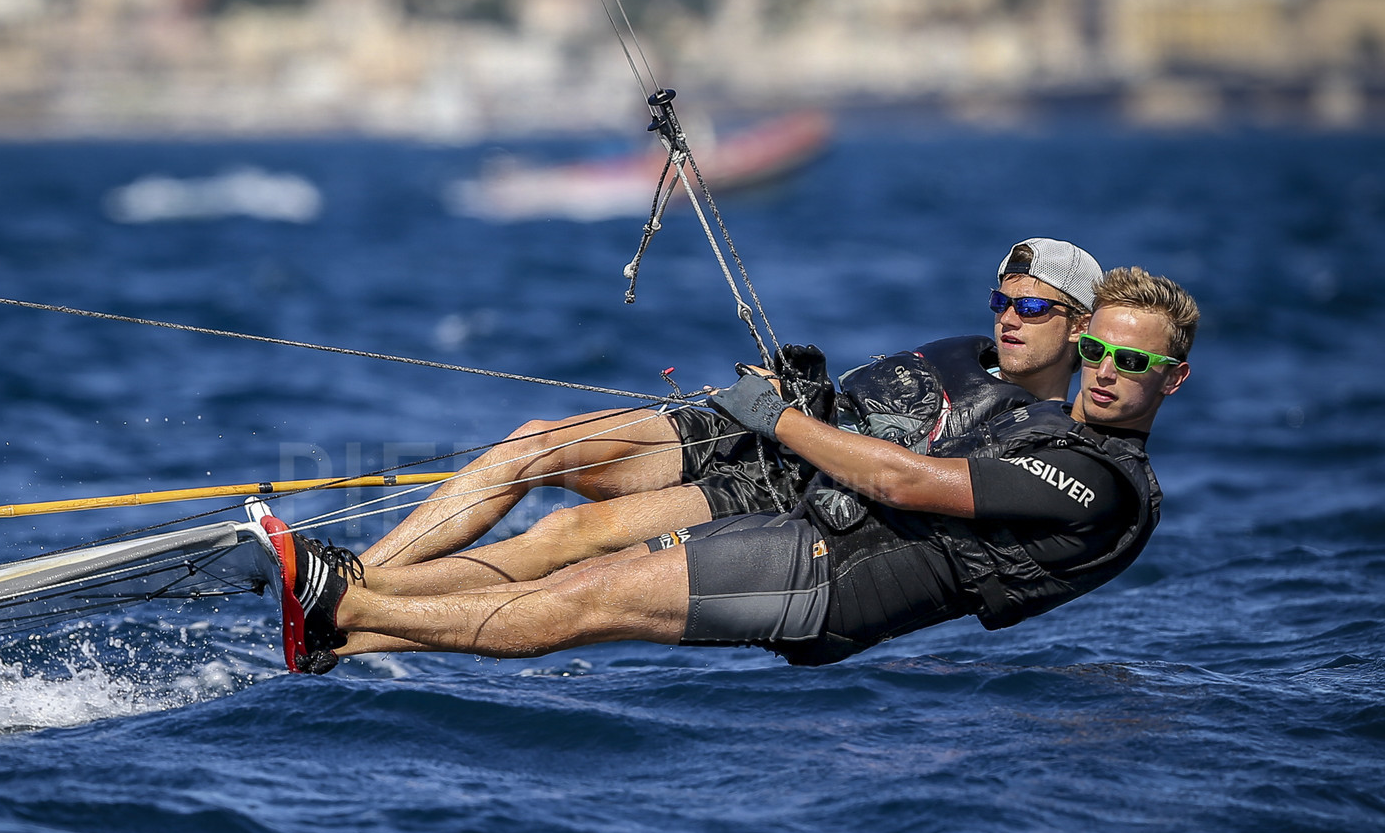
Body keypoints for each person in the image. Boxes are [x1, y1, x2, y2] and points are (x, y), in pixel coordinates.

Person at [265, 266, 1195, 671]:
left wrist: (786, 420)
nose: (1114, 373)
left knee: (585, 598)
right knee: (583, 575)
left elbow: (910, 483)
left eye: (1137, 363)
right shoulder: (1031, 414)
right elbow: (890, 444)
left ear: (1173, 379)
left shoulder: (1096, 476)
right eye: (1108, 354)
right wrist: (810, 398)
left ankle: (345, 599)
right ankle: (340, 631)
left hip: (840, 584)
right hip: (817, 538)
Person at [357, 238, 1102, 605]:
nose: (1009, 318)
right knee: (536, 443)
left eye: (1032, 308)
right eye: (1001, 301)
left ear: (1079, 327)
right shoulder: (964, 350)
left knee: (566, 537)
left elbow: (908, 486)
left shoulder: (1038, 432)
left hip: (787, 487)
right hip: (754, 426)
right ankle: (352, 579)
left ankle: (368, 603)